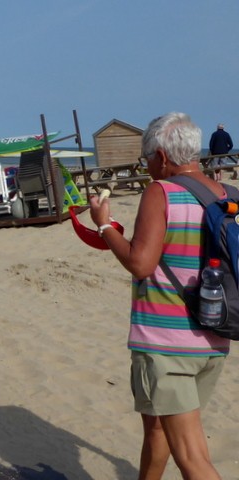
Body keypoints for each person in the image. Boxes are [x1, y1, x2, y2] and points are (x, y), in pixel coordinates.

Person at [89, 112, 228, 480]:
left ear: (162, 156)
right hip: (213, 336)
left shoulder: (161, 191)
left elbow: (140, 263)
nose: (147, 165)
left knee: (193, 458)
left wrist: (103, 225)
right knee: (158, 428)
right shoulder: (227, 196)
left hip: (168, 345)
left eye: (147, 157)